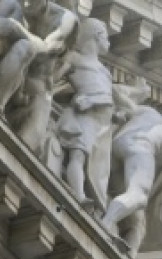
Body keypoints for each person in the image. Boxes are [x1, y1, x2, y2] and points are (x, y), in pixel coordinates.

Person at [100, 106, 162, 254]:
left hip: (115, 145)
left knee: (138, 221)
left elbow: (123, 110)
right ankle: (105, 224)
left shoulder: (150, 113)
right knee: (139, 196)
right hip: (140, 150)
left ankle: (130, 256)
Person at [0, 0, 78, 155]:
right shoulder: (12, 6)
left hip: (34, 99)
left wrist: (13, 27)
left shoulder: (64, 18)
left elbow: (46, 48)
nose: (26, 3)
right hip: (0, 85)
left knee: (21, 157)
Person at [54, 18, 114, 207]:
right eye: (107, 37)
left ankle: (88, 194)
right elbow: (52, 77)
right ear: (97, 36)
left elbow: (107, 97)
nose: (109, 43)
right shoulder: (74, 58)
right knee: (77, 155)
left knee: (92, 162)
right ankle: (78, 195)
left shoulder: (105, 71)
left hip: (100, 123)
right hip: (82, 115)